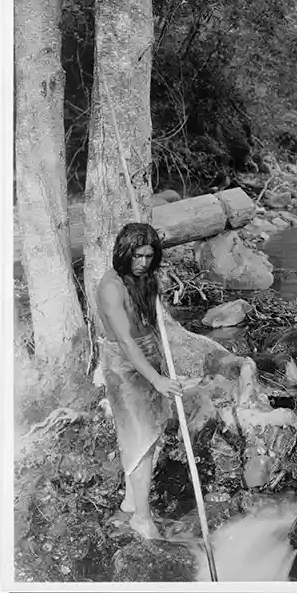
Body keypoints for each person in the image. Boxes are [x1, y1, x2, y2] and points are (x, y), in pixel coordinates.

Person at [97, 222, 184, 540]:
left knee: (151, 429)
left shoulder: (144, 277)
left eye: (149, 256)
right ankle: (142, 520)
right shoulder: (111, 287)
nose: (143, 263)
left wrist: (160, 358)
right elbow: (125, 342)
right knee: (139, 439)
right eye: (137, 256)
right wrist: (157, 379)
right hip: (125, 364)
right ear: (124, 253)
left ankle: (133, 501)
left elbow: (147, 324)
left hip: (149, 352)